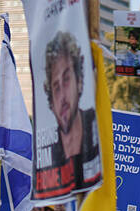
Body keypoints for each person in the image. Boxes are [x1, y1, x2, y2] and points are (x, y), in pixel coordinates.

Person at [36, 32, 101, 198]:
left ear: (79, 82)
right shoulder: (47, 156)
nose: (63, 96)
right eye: (56, 87)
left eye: (66, 79)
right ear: (50, 100)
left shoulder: (99, 131)